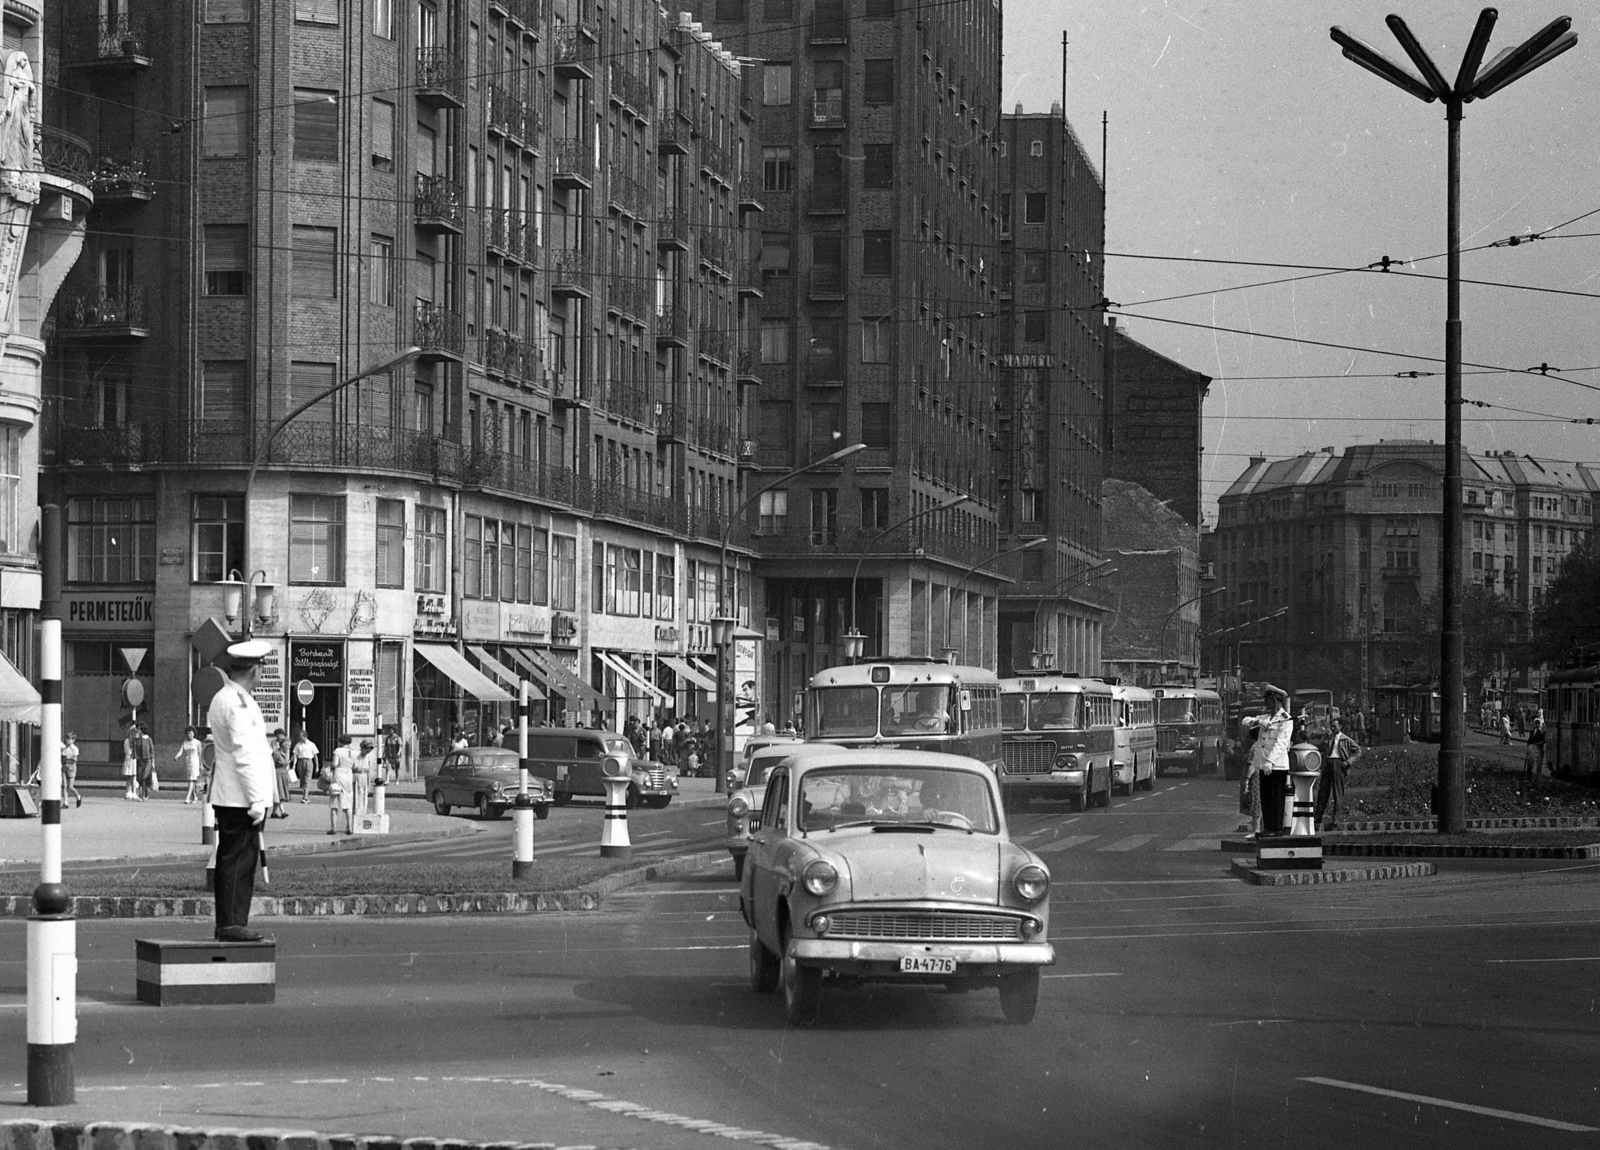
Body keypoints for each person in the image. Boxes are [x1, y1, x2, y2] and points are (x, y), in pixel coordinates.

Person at [206, 639, 276, 943]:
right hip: (240, 797)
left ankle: (231, 922)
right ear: (255, 669)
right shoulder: (236, 703)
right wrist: (258, 799)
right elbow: (244, 754)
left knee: (235, 859)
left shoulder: (230, 698)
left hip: (234, 794)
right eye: (261, 667)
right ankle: (232, 924)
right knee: (238, 861)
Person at [1243, 686, 1294, 837]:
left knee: (1276, 798)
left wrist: (1270, 762)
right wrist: (1259, 722)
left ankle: (1276, 829)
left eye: (1268, 701)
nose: (1266, 704)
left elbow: (1281, 743)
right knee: (1265, 798)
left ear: (1275, 701)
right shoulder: (1265, 717)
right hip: (1262, 764)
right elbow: (1245, 721)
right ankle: (1268, 828)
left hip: (1277, 765)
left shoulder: (1285, 719)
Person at [1317, 717, 1360, 831]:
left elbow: (1358, 751)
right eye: (1331, 726)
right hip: (1328, 763)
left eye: (1334, 726)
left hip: (1338, 763)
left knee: (1338, 791)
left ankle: (1335, 818)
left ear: (1340, 727)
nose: (1332, 728)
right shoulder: (1328, 738)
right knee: (1323, 791)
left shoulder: (1346, 739)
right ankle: (1318, 817)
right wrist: (1326, 738)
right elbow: (1320, 748)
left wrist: (1348, 762)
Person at [327, 734, 355, 834]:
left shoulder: (338, 751)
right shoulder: (353, 752)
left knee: (335, 801)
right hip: (348, 775)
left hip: (339, 775)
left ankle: (333, 828)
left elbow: (335, 764)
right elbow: (354, 765)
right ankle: (349, 827)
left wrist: (329, 766)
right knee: (348, 803)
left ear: (340, 742)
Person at [176, 726, 205, 804]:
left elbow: (200, 754)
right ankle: (195, 796)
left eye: (191, 733)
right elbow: (181, 751)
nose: (189, 735)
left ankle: (187, 797)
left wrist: (201, 764)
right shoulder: (185, 742)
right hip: (188, 761)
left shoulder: (197, 742)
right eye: (188, 733)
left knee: (191, 780)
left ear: (194, 734)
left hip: (195, 761)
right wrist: (177, 756)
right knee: (190, 779)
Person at [293, 729, 319, 803]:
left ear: (305, 736)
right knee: (302, 779)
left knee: (307, 779)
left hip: (309, 761)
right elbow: (295, 755)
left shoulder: (311, 744)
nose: (299, 738)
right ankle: (305, 794)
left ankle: (305, 797)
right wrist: (294, 765)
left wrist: (317, 765)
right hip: (300, 761)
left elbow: (315, 755)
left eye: (301, 736)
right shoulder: (298, 745)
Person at [352, 737, 376, 817]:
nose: (367, 752)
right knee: (356, 799)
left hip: (364, 778)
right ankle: (355, 817)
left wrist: (369, 783)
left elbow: (369, 770)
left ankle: (362, 815)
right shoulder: (355, 756)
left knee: (363, 798)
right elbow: (351, 767)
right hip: (356, 778)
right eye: (366, 749)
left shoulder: (368, 757)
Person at [269, 729, 291, 818]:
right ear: (283, 745)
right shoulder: (276, 753)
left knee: (279, 794)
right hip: (277, 775)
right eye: (288, 745)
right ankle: (282, 812)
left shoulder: (284, 753)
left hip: (283, 774)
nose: (289, 747)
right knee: (279, 794)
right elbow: (271, 764)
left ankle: (274, 813)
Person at [132, 722, 156, 800]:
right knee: (139, 777)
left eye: (139, 729)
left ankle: (143, 795)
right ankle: (145, 790)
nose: (137, 731)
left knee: (144, 777)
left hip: (147, 760)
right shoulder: (137, 740)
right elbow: (134, 747)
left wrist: (153, 762)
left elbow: (152, 751)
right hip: (140, 761)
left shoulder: (148, 739)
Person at [60, 732, 82, 809]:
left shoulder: (74, 749)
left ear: (73, 740)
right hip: (64, 767)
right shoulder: (64, 748)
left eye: (69, 739)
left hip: (71, 768)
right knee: (64, 786)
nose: (67, 741)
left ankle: (78, 796)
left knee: (70, 786)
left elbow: (75, 759)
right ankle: (65, 803)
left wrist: (68, 757)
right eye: (67, 739)